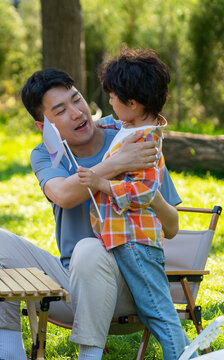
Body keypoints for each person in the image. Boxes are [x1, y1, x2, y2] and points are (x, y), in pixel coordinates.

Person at [0, 68, 181, 360]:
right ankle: (10, 353)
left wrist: (150, 194)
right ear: (43, 126)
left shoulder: (129, 135)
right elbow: (63, 195)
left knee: (90, 248)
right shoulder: (46, 154)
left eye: (76, 99)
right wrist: (115, 165)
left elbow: (172, 227)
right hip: (70, 287)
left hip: (130, 288)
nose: (76, 113)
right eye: (60, 110)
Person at [77, 48, 190, 359]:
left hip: (135, 241)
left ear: (133, 103)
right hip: (124, 240)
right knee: (158, 313)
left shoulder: (145, 141)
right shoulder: (132, 127)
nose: (109, 102)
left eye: (113, 96)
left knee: (158, 313)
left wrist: (103, 184)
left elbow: (145, 190)